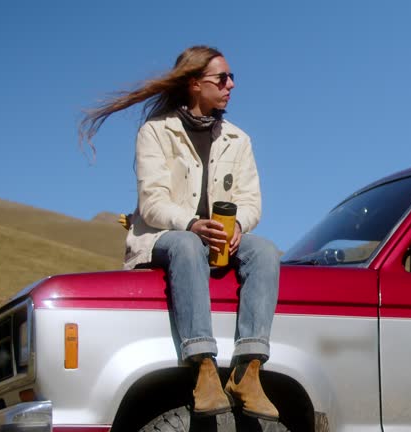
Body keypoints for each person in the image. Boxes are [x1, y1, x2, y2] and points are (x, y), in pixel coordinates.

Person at [78, 46, 280, 421]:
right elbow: (151, 203)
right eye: (222, 78)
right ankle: (203, 366)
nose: (231, 85)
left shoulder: (240, 139)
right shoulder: (155, 132)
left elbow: (252, 202)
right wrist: (191, 223)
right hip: (165, 237)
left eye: (232, 78)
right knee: (188, 244)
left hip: (220, 240)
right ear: (194, 84)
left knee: (265, 250)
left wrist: (238, 227)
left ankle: (248, 371)